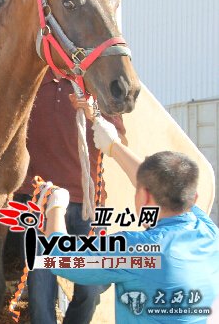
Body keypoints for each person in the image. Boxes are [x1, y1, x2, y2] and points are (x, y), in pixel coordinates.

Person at [43, 112, 219, 323]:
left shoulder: (137, 249)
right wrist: (114, 147)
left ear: (143, 196)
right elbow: (159, 187)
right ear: (194, 198)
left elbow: (59, 257)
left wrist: (55, 205)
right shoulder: (210, 232)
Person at [15, 68, 126, 324]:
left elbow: (120, 141)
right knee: (40, 291)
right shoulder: (30, 80)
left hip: (89, 203)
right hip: (39, 200)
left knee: (90, 289)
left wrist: (94, 114)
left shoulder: (96, 83)